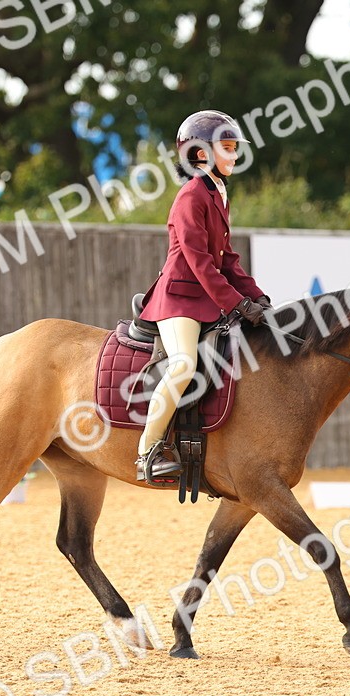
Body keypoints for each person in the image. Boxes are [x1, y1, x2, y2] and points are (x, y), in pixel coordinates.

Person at [134, 110, 273, 481]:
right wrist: (236, 304)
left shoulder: (218, 192)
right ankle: (147, 451)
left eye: (233, 148)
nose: (234, 156)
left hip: (206, 299)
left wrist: (258, 299)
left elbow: (228, 260)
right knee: (183, 366)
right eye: (227, 148)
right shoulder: (190, 196)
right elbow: (199, 263)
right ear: (199, 153)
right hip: (179, 299)